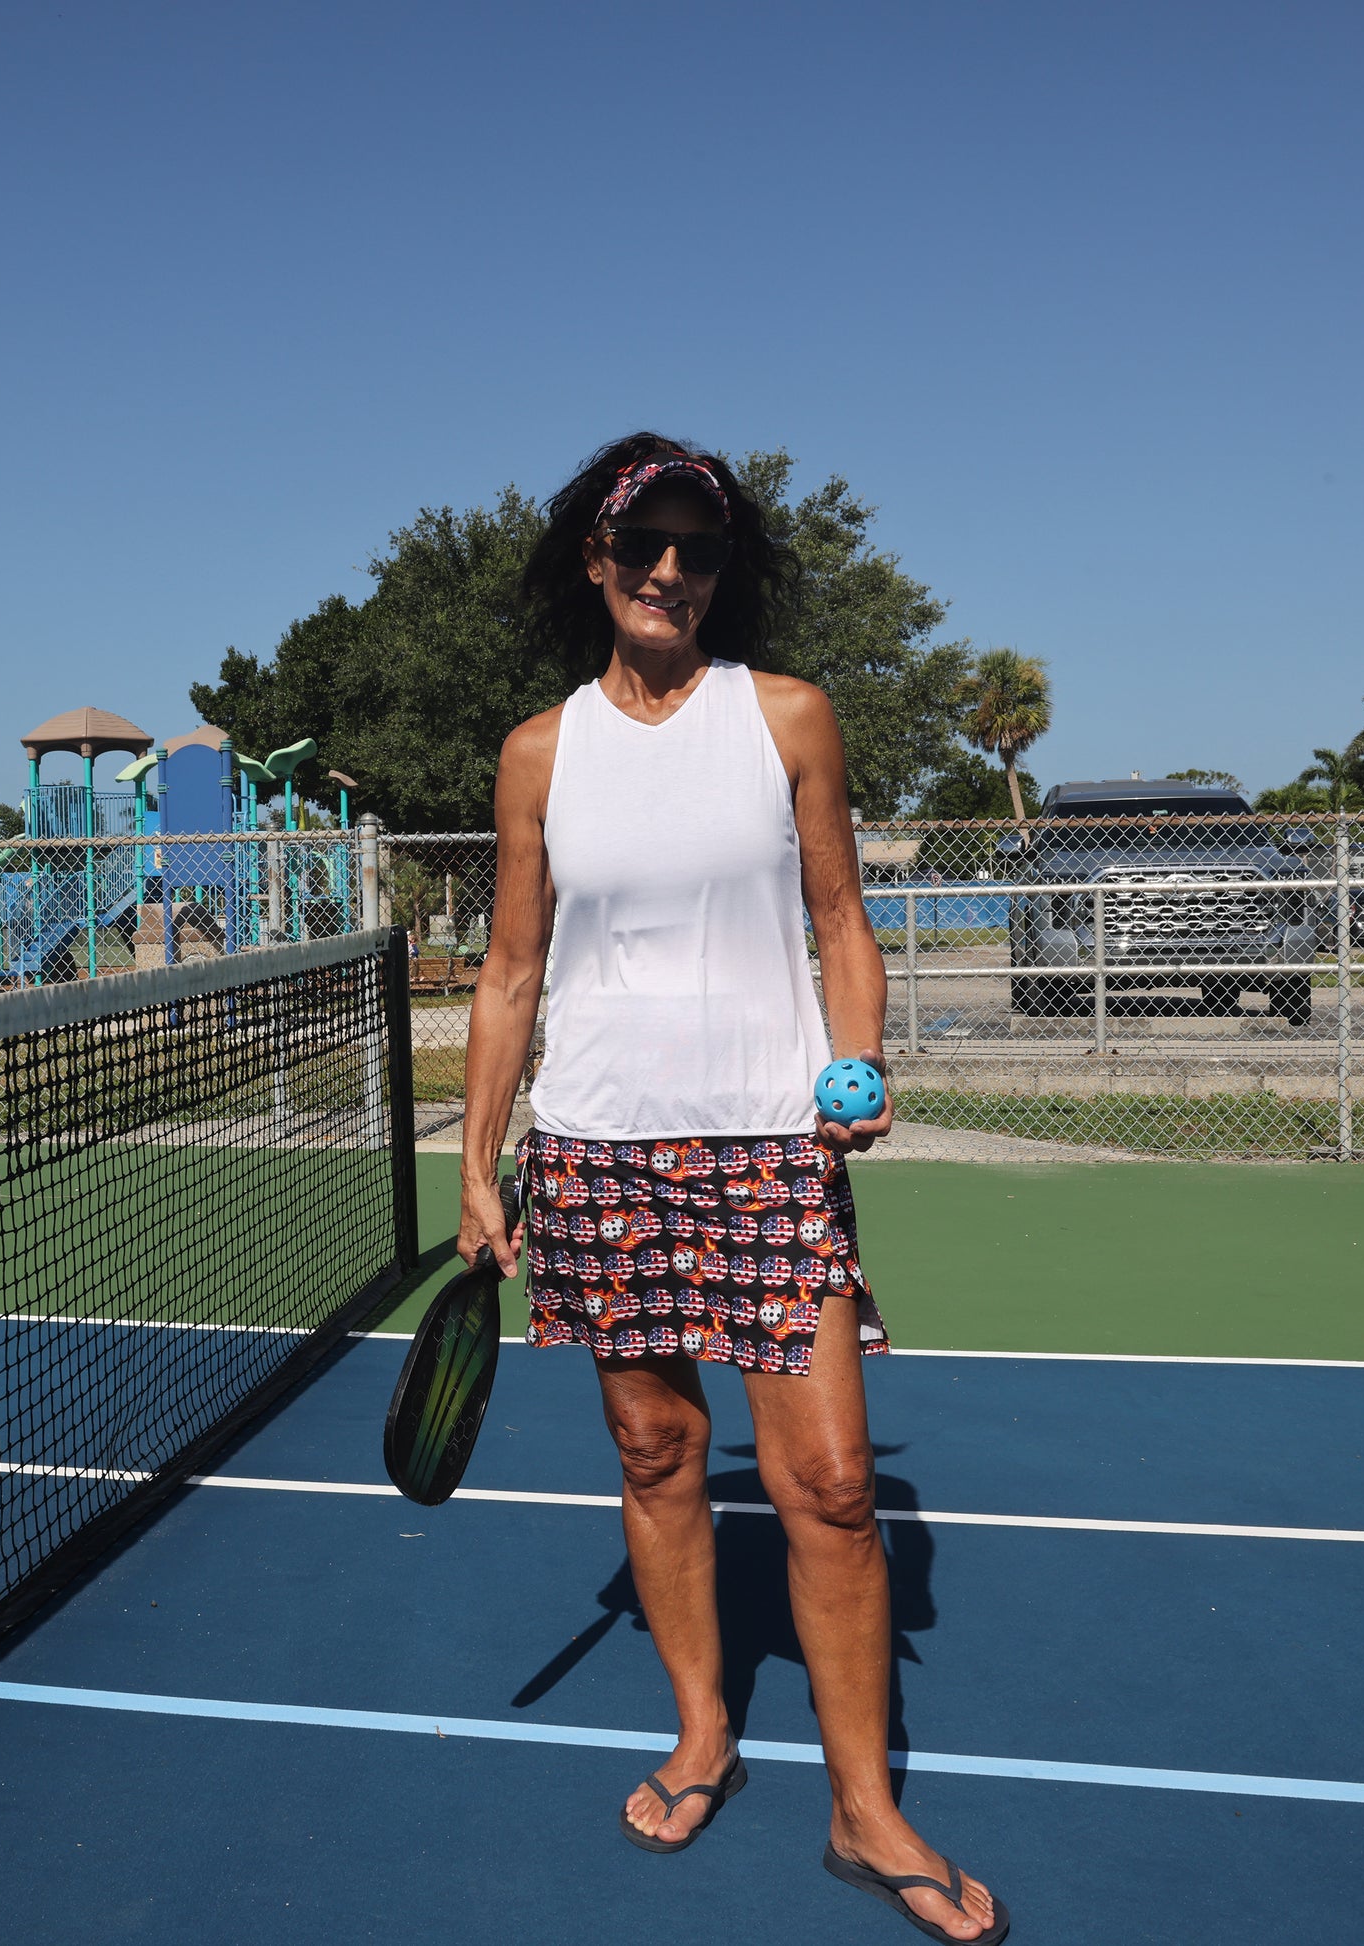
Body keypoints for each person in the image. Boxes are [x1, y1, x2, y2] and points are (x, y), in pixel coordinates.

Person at [458, 435, 1009, 1943]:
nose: (669, 570)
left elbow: (842, 921)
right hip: (594, 1152)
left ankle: (863, 1807)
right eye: (644, 544)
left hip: (770, 1149)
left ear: (721, 570)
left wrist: (860, 1055)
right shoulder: (539, 751)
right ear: (595, 558)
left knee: (831, 1484)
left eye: (697, 549)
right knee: (656, 1452)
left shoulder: (786, 716)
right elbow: (509, 969)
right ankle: (704, 1731)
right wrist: (477, 1163)